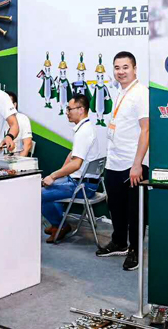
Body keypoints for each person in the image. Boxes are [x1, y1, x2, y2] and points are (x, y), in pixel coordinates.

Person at [96, 51, 149, 271]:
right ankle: (119, 243)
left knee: (135, 212)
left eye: (125, 67)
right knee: (115, 207)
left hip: (132, 163)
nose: (121, 72)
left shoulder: (141, 93)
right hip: (114, 162)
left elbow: (146, 130)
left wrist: (137, 164)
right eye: (117, 68)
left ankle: (135, 250)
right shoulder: (121, 92)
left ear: (134, 69)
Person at [41, 94, 105, 243]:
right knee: (50, 188)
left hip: (82, 186)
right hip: (85, 183)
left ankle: (60, 226)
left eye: (70, 109)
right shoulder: (86, 128)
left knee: (41, 194)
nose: (67, 112)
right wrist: (59, 175)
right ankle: (58, 225)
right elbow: (73, 154)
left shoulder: (83, 132)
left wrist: (53, 176)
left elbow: (76, 164)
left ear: (81, 109)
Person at [6, 91, 34, 157]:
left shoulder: (23, 118)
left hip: (16, 157)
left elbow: (27, 145)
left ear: (14, 105)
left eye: (8, 104)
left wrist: (18, 161)